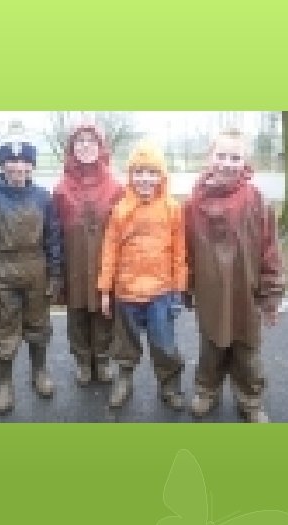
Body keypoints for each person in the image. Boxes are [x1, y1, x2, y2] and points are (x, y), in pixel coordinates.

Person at [183, 130, 284, 422]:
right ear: (209, 157)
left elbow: (270, 250)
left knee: (246, 349)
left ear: (245, 161)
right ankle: (207, 391)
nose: (227, 163)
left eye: (235, 157)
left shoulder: (257, 201)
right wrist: (185, 286)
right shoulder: (193, 204)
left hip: (245, 291)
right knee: (211, 345)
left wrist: (271, 295)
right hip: (209, 292)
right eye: (221, 155)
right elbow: (185, 249)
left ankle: (250, 401)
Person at [0, 141, 63, 414]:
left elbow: (53, 239)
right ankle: (4, 385)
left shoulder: (43, 198)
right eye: (12, 161)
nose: (18, 167)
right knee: (3, 331)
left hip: (36, 274)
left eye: (24, 162)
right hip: (2, 276)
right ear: (2, 165)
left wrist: (55, 275)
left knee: (39, 328)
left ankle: (39, 372)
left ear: (32, 165)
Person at [97, 141, 187, 410]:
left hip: (161, 293)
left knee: (164, 345)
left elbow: (179, 252)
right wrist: (105, 290)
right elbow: (109, 251)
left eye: (151, 172)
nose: (145, 179)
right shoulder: (120, 210)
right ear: (131, 176)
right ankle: (124, 380)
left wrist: (178, 289)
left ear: (161, 176)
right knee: (125, 345)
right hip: (126, 293)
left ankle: (169, 385)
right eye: (139, 172)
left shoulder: (172, 209)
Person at [53, 125, 124, 385]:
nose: (85, 145)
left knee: (104, 313)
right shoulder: (61, 189)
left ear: (101, 146)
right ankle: (83, 361)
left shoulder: (115, 187)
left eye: (91, 140)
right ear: (71, 148)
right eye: (79, 141)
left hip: (104, 262)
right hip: (74, 264)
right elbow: (54, 231)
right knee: (77, 315)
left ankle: (102, 359)